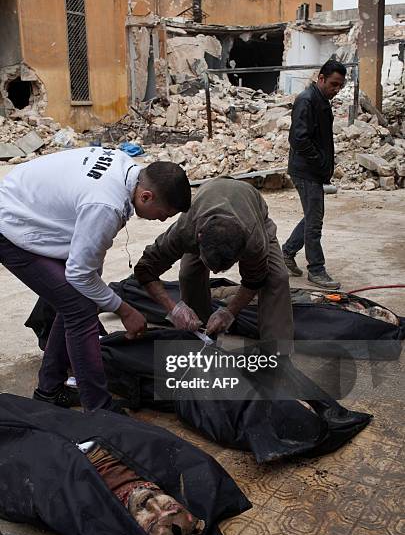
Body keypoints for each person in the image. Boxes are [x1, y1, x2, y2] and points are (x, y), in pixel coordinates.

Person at [0, 147, 191, 412]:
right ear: (146, 196)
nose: (161, 220)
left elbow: (88, 261)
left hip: (27, 203)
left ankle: (49, 391)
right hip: (11, 224)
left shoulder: (126, 168)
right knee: (80, 308)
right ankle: (99, 411)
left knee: (74, 302)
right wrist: (124, 310)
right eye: (164, 214)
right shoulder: (106, 205)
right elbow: (79, 273)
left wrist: (98, 288)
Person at [134, 177, 293, 354]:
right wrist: (174, 309)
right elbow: (145, 269)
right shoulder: (185, 230)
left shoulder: (254, 240)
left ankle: (278, 355)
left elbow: (254, 281)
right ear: (199, 238)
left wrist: (229, 312)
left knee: (277, 278)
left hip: (253, 211)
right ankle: (199, 336)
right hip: (206, 205)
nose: (216, 272)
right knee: (188, 274)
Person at [282, 59, 347, 290]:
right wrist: (319, 163)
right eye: (333, 84)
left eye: (340, 86)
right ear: (321, 78)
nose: (336, 90)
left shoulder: (320, 99)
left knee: (312, 216)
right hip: (306, 170)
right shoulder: (307, 100)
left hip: (313, 170)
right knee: (315, 222)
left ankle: (287, 253)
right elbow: (298, 139)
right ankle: (316, 270)